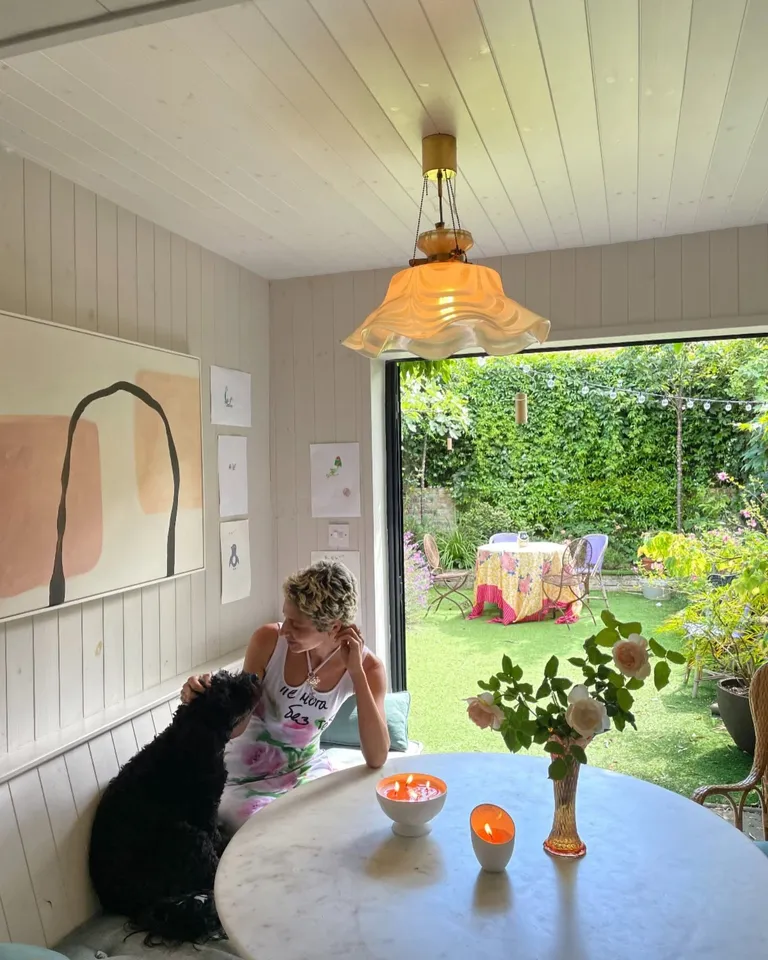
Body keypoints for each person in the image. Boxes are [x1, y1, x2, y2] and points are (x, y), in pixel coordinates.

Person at [181, 560, 389, 833]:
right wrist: (205, 698)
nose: (285, 630)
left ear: (334, 628)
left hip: (306, 770)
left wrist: (357, 674)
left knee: (350, 816)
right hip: (245, 778)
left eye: (297, 625)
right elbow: (237, 724)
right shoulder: (268, 640)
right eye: (286, 617)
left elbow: (376, 757)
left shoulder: (369, 668)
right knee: (269, 830)